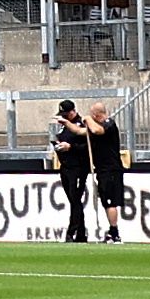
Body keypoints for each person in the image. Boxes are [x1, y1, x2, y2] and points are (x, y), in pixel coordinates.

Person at [88, 103, 146, 243]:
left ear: (96, 115)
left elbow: (96, 130)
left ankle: (114, 232)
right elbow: (81, 132)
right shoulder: (96, 126)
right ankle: (111, 231)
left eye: (92, 115)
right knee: (106, 201)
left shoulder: (108, 124)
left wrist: (87, 119)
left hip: (111, 169)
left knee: (110, 202)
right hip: (102, 169)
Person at [48, 99, 92, 244]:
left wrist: (71, 147)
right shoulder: (63, 127)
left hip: (78, 167)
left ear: (72, 112)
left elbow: (87, 147)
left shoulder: (81, 125)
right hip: (65, 167)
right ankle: (80, 233)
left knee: (75, 199)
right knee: (74, 200)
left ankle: (71, 232)